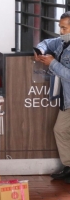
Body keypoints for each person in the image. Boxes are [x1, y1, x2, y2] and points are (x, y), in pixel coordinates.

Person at [35, 12, 70, 183]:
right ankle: (69, 167)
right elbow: (47, 43)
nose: (61, 30)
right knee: (61, 130)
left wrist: (52, 63)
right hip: (67, 99)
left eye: (64, 27)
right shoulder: (63, 42)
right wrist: (40, 50)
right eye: (60, 26)